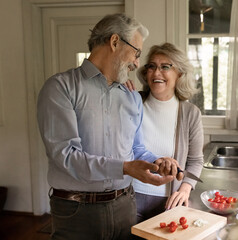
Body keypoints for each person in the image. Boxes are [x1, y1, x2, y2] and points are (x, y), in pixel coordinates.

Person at [37, 13, 181, 240]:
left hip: (125, 206)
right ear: (115, 42)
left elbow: (136, 149)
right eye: (136, 53)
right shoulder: (60, 88)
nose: (136, 63)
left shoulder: (131, 97)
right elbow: (65, 157)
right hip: (76, 211)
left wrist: (157, 161)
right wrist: (125, 168)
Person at [129, 43, 204, 223]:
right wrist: (118, 91)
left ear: (179, 73)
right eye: (152, 66)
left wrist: (185, 189)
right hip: (129, 197)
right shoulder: (132, 101)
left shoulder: (190, 113)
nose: (156, 73)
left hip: (169, 203)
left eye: (165, 67)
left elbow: (195, 161)